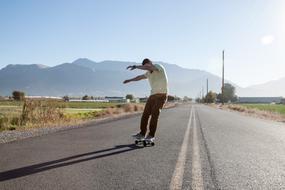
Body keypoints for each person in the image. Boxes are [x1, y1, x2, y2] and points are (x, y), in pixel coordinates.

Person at [123, 58, 168, 142]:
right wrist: (129, 80)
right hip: (152, 96)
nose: (146, 67)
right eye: (145, 66)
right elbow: (139, 77)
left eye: (147, 65)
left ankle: (151, 135)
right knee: (145, 114)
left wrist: (135, 66)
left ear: (150, 63)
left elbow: (149, 68)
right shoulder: (148, 73)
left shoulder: (158, 67)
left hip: (162, 96)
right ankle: (142, 133)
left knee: (155, 114)